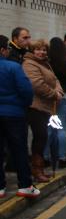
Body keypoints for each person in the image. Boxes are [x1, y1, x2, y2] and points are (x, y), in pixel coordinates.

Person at [0, 35, 39, 199]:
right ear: (3, 50)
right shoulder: (13, 67)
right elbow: (26, 90)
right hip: (14, 114)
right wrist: (24, 104)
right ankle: (24, 185)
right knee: (19, 150)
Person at [22, 39, 64, 183]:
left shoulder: (44, 63)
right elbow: (37, 85)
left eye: (44, 50)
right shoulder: (29, 64)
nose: (42, 52)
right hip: (35, 106)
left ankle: (39, 168)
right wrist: (54, 94)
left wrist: (59, 91)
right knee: (40, 137)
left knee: (43, 137)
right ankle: (37, 169)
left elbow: (55, 79)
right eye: (38, 49)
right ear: (32, 51)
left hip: (46, 106)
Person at [45, 37, 66, 168]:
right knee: (61, 128)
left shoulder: (47, 62)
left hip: (50, 96)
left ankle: (46, 156)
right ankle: (62, 157)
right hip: (64, 94)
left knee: (48, 127)